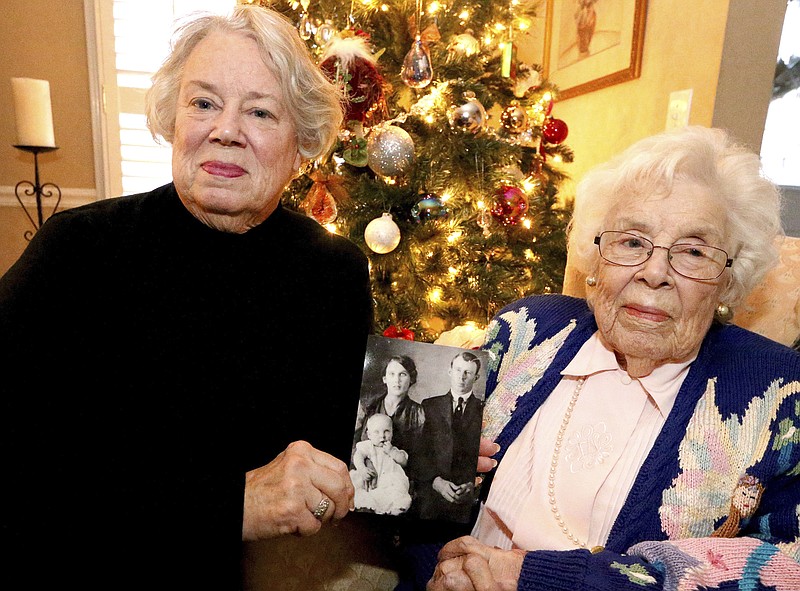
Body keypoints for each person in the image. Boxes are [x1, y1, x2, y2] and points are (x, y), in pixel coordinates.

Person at [0, 5, 373, 590]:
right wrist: (231, 505)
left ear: (302, 144)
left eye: (259, 111)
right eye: (203, 103)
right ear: (173, 119)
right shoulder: (77, 252)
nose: (225, 129)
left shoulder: (333, 272)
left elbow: (340, 449)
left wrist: (432, 447)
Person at [414, 126, 800, 590]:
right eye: (633, 242)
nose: (654, 273)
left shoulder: (780, 389)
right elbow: (415, 495)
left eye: (694, 251)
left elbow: (786, 569)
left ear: (726, 279)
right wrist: (428, 476)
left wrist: (534, 578)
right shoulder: (525, 328)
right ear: (596, 259)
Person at [414, 351, 484, 523]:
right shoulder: (430, 406)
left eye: (468, 372)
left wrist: (472, 483)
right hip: (432, 492)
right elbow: (419, 451)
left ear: (476, 377)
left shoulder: (484, 409)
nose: (462, 377)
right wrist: (435, 481)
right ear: (450, 371)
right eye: (458, 370)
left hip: (466, 497)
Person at [354, 354, 426, 464]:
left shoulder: (418, 413)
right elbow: (354, 443)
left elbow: (418, 455)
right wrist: (364, 466)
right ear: (385, 379)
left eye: (402, 374)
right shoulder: (368, 405)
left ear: (411, 379)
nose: (397, 380)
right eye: (392, 374)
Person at [350, 413, 413, 516]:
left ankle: (396, 508)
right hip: (373, 478)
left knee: (397, 492)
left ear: (392, 433)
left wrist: (392, 451)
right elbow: (358, 456)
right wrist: (362, 469)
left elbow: (404, 461)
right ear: (369, 435)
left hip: (390, 480)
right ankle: (367, 506)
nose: (382, 436)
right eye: (376, 432)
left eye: (386, 431)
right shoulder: (368, 446)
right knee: (358, 487)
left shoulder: (394, 449)